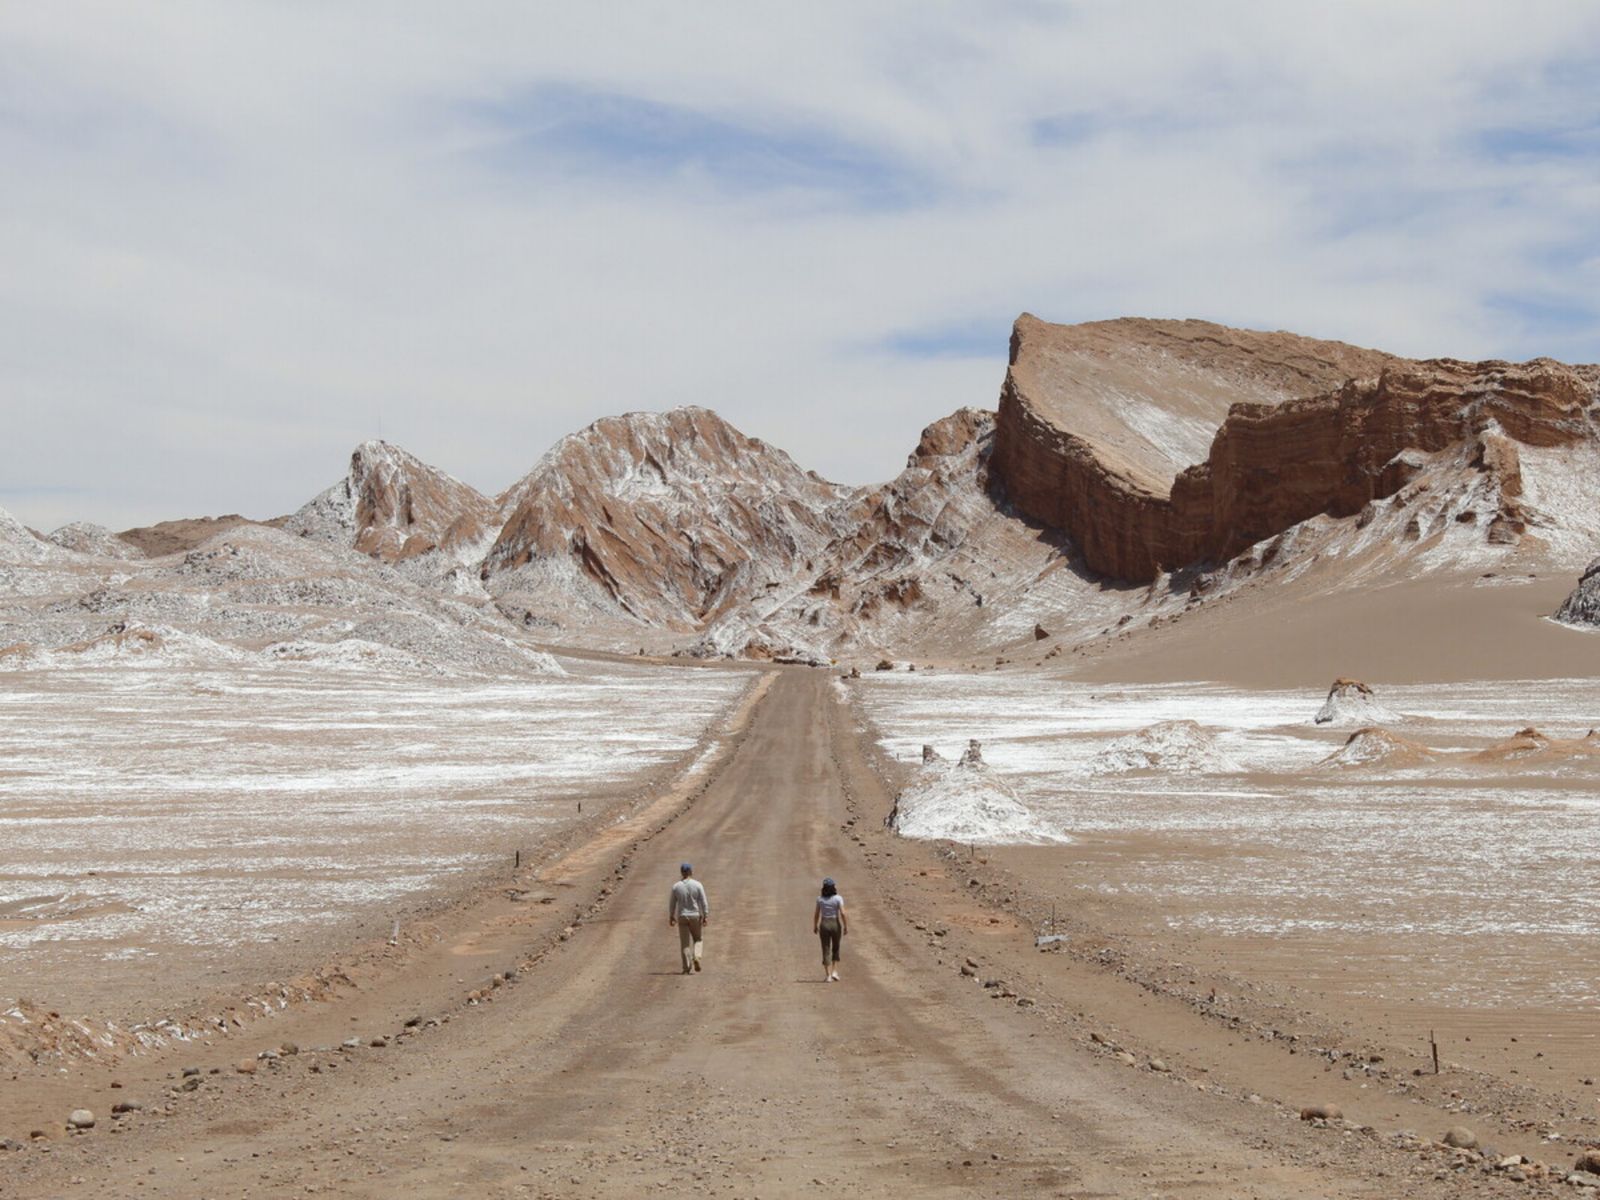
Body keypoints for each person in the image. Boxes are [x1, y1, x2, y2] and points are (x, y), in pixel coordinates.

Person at [668, 862, 709, 975]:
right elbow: (703, 901)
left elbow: (672, 903)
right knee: (698, 939)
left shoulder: (676, 886)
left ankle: (686, 968)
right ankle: (696, 957)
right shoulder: (698, 885)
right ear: (691, 871)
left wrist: (671, 916)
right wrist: (705, 915)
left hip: (682, 916)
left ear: (681, 872)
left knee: (685, 944)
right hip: (695, 915)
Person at [812, 877, 847, 982]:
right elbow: (843, 913)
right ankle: (834, 972)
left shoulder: (820, 899)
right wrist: (845, 926)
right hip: (835, 923)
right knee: (836, 947)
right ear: (833, 887)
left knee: (825, 948)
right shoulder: (838, 898)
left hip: (824, 924)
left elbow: (817, 914)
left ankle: (828, 975)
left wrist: (815, 925)